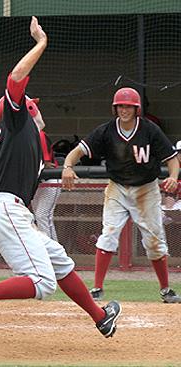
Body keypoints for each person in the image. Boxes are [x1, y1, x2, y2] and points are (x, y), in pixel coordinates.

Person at [0, 16, 121, 339]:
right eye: (31, 105)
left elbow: (37, 131)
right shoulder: (15, 123)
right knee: (42, 283)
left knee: (60, 261)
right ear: (21, 109)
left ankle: (101, 317)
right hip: (3, 209)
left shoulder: (28, 136)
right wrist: (41, 43)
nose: (35, 108)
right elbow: (15, 77)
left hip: (3, 212)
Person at [62, 87, 181, 303]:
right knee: (108, 235)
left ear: (136, 109)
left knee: (154, 240)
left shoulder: (150, 130)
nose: (124, 110)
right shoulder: (106, 130)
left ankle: (165, 289)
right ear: (115, 108)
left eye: (129, 106)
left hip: (146, 189)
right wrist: (67, 166)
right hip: (117, 187)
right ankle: (97, 288)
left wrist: (173, 176)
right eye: (120, 106)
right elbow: (77, 151)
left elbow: (172, 159)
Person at [30, 101, 62, 241]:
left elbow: (46, 164)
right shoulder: (23, 137)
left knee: (42, 215)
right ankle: (50, 252)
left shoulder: (39, 135)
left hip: (50, 181)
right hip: (37, 183)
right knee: (36, 217)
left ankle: (54, 254)